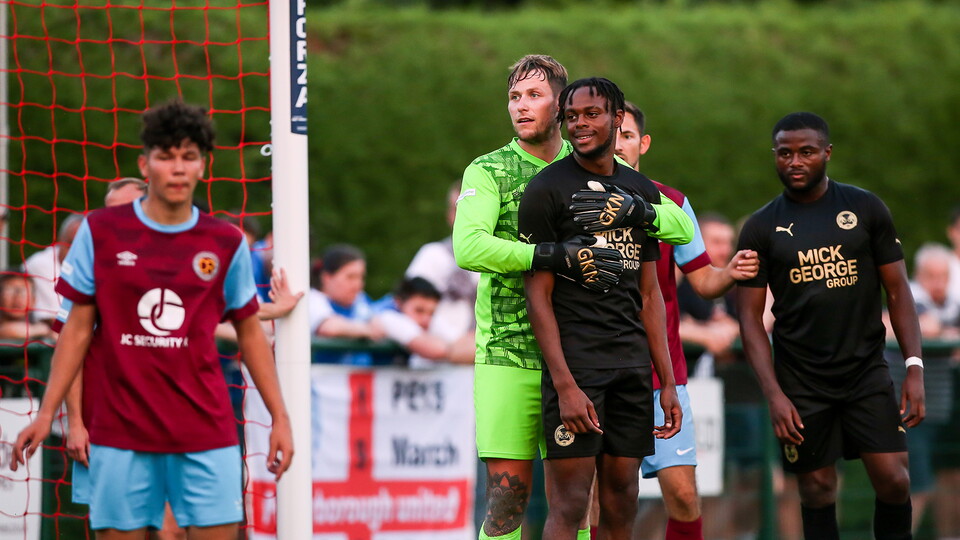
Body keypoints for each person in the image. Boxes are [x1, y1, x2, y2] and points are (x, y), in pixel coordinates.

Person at [9, 99, 294, 539]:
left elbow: (250, 332)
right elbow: (76, 330)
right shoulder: (100, 232)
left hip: (205, 430)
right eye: (166, 156)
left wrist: (280, 417)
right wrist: (48, 414)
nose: (177, 168)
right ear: (145, 165)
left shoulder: (225, 242)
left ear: (203, 165)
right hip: (120, 433)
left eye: (188, 156)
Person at [453, 54, 693, 540]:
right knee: (506, 504)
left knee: (580, 504)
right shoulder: (489, 169)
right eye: (514, 97)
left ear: (561, 105)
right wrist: (552, 255)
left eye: (534, 95)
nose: (521, 106)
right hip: (510, 353)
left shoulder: (594, 162)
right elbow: (468, 247)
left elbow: (680, 225)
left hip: (583, 354)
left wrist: (638, 210)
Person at [736, 111, 924, 540]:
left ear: (827, 153)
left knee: (894, 480)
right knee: (817, 489)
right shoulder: (761, 226)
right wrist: (774, 395)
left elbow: (898, 291)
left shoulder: (865, 208)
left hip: (865, 373)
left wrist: (914, 366)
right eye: (784, 153)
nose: (794, 161)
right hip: (800, 381)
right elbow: (749, 318)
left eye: (806, 152)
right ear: (775, 156)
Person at [519, 76, 682, 540]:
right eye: (571, 116)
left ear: (617, 118)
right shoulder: (546, 189)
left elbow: (650, 294)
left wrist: (666, 381)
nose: (580, 124)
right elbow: (537, 296)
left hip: (632, 368)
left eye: (592, 114)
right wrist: (565, 385)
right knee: (570, 505)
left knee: (622, 498)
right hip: (578, 369)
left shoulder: (640, 190)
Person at [611, 102, 757, 540]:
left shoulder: (672, 202)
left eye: (627, 135)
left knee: (683, 495)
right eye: (610, 133)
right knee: (604, 499)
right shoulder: (570, 197)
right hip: (597, 372)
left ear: (643, 143)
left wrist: (730, 272)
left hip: (662, 376)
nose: (617, 143)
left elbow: (704, 279)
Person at [884, 243, 959, 536]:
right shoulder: (911, 298)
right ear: (918, 275)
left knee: (944, 481)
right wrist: (943, 332)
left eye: (944, 276)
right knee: (915, 486)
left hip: (939, 411)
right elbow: (923, 325)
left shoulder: (950, 305)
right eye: (931, 276)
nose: (938, 283)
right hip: (908, 411)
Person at [405, 179, 480, 368]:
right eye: (457, 209)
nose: (463, 216)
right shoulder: (432, 255)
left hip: (481, 365)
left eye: (470, 209)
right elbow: (410, 310)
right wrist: (454, 345)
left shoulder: (501, 258)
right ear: (449, 215)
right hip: (434, 365)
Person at [308, 243, 386, 365]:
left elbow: (380, 327)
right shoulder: (312, 299)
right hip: (324, 376)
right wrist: (366, 330)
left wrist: (360, 330)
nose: (358, 284)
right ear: (327, 278)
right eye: (350, 277)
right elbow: (329, 328)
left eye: (361, 277)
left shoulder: (360, 299)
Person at [375, 276, 475, 366]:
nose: (426, 319)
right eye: (419, 310)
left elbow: (459, 340)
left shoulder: (429, 321)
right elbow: (439, 350)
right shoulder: (388, 317)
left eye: (431, 313)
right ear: (398, 303)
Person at [21, 213, 83, 325]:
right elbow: (54, 320)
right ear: (60, 240)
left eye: (84, 246)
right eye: (71, 244)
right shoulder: (41, 264)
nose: (76, 252)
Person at [0, 271, 54, 340]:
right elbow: (10, 331)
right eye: (9, 291)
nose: (17, 297)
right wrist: (42, 330)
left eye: (24, 292)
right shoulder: (42, 328)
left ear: (33, 300)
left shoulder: (45, 324)